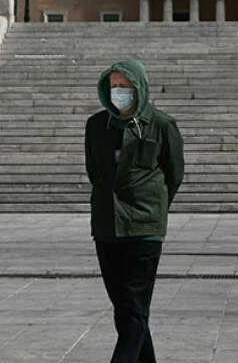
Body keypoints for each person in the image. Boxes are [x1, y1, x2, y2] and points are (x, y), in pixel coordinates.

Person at [86, 59, 184, 363]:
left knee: (134, 304)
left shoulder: (162, 125)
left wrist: (152, 205)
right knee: (126, 309)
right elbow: (94, 172)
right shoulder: (96, 126)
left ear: (139, 88)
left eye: (124, 86)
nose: (119, 91)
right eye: (114, 86)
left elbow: (174, 174)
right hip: (107, 226)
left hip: (144, 227)